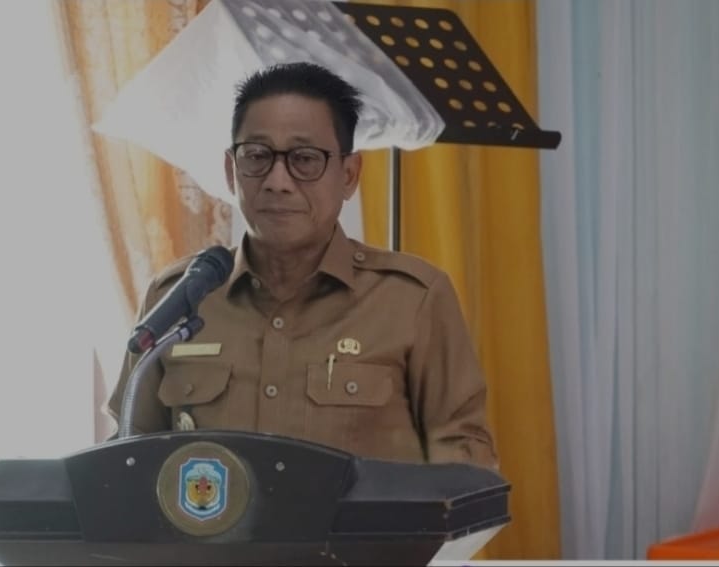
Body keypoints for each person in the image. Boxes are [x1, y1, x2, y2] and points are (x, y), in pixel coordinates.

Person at [106, 62, 497, 469]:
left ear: (349, 175)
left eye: (305, 159)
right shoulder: (180, 297)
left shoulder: (412, 300)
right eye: (257, 156)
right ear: (231, 171)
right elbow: (125, 462)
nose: (278, 181)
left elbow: (463, 464)